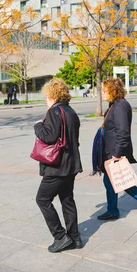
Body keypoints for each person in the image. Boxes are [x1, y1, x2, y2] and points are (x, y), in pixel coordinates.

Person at [34, 78, 83, 253]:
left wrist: (38, 125)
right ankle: (75, 237)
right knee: (67, 200)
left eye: (46, 96)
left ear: (52, 95)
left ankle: (60, 236)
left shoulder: (54, 112)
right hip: (71, 165)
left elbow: (49, 137)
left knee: (42, 199)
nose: (46, 100)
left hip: (57, 166)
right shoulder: (71, 111)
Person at [97, 78, 137, 221]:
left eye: (104, 90)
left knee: (115, 180)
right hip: (111, 150)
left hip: (114, 151)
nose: (103, 93)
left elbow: (123, 132)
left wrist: (116, 154)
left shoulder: (120, 106)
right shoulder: (115, 104)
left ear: (112, 90)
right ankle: (116, 208)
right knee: (113, 180)